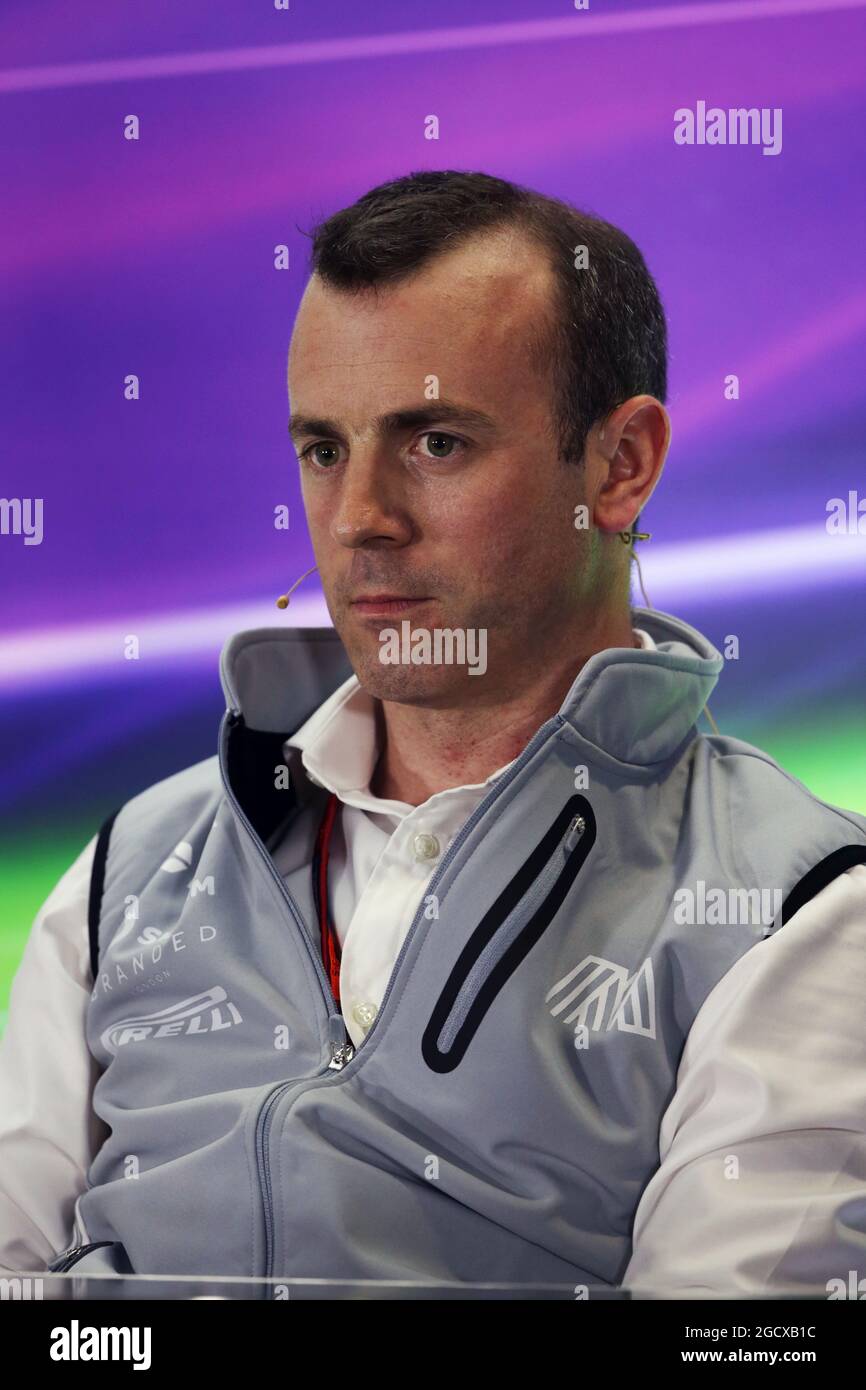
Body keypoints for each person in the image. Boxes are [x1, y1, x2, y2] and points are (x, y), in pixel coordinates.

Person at [2, 170, 865, 1295]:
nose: (360, 517)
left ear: (619, 465)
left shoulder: (797, 908)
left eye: (435, 442)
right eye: (323, 449)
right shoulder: (130, 869)